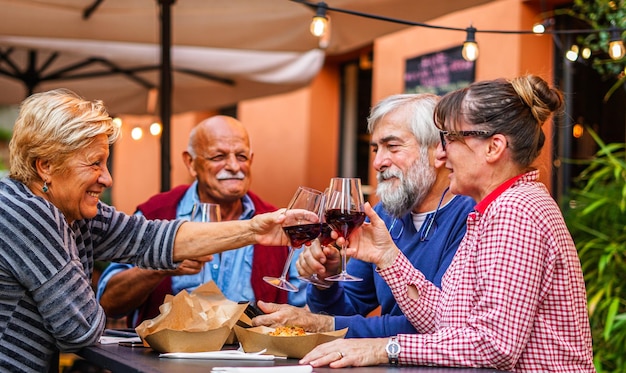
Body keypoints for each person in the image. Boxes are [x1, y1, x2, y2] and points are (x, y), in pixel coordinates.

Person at [299, 75, 595, 372]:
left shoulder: (515, 212)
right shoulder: (494, 209)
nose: (440, 153)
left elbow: (493, 346)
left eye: (451, 139)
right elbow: (444, 321)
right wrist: (386, 257)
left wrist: (384, 347)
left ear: (493, 147)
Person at [0, 89, 306, 372]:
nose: (107, 179)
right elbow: (81, 329)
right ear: (46, 166)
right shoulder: (26, 214)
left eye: (106, 163)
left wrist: (254, 230)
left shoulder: (71, 212)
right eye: (95, 163)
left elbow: (149, 238)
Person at [251, 93, 475, 338]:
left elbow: (440, 326)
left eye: (392, 147)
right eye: (376, 149)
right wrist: (326, 281)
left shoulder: (470, 217)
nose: (378, 162)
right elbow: (348, 309)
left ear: (438, 151)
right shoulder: (384, 215)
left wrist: (322, 325)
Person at [97, 115, 304, 328]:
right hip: (162, 359)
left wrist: (326, 274)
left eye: (241, 156)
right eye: (218, 156)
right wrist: (161, 265)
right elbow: (108, 303)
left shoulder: (276, 223)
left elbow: (305, 307)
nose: (234, 166)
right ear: (191, 162)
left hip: (249, 359)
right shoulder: (155, 213)